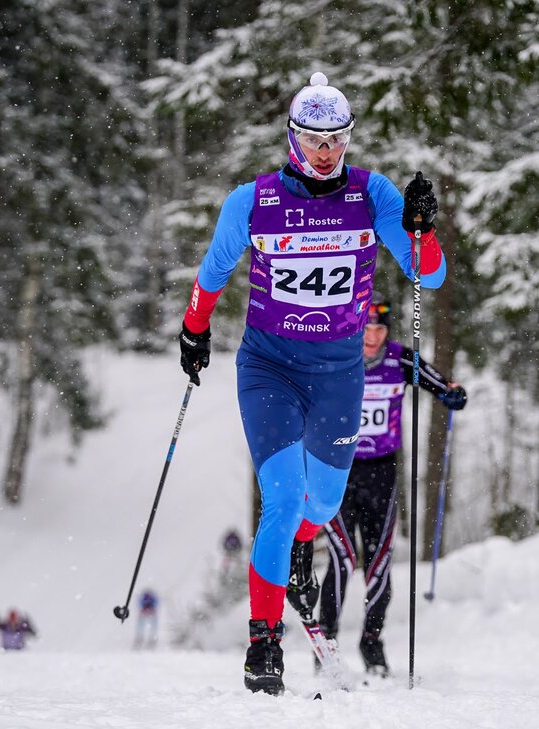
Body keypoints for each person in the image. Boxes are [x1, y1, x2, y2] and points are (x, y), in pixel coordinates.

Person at [177, 72, 447, 694]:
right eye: (313, 139)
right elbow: (215, 267)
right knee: (281, 498)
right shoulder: (255, 200)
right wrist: (194, 329)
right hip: (269, 369)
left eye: (337, 139)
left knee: (320, 505)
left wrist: (421, 229)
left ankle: (303, 546)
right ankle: (263, 641)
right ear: (292, 137)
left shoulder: (371, 193)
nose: (326, 152)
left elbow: (426, 278)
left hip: (338, 374)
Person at [285, 293, 467, 676]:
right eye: (366, 328)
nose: (372, 336)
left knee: (379, 561)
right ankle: (327, 643)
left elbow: (440, 385)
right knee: (341, 558)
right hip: (336, 469)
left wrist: (452, 395)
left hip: (381, 472)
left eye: (379, 328)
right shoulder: (336, 354)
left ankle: (372, 643)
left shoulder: (399, 359)